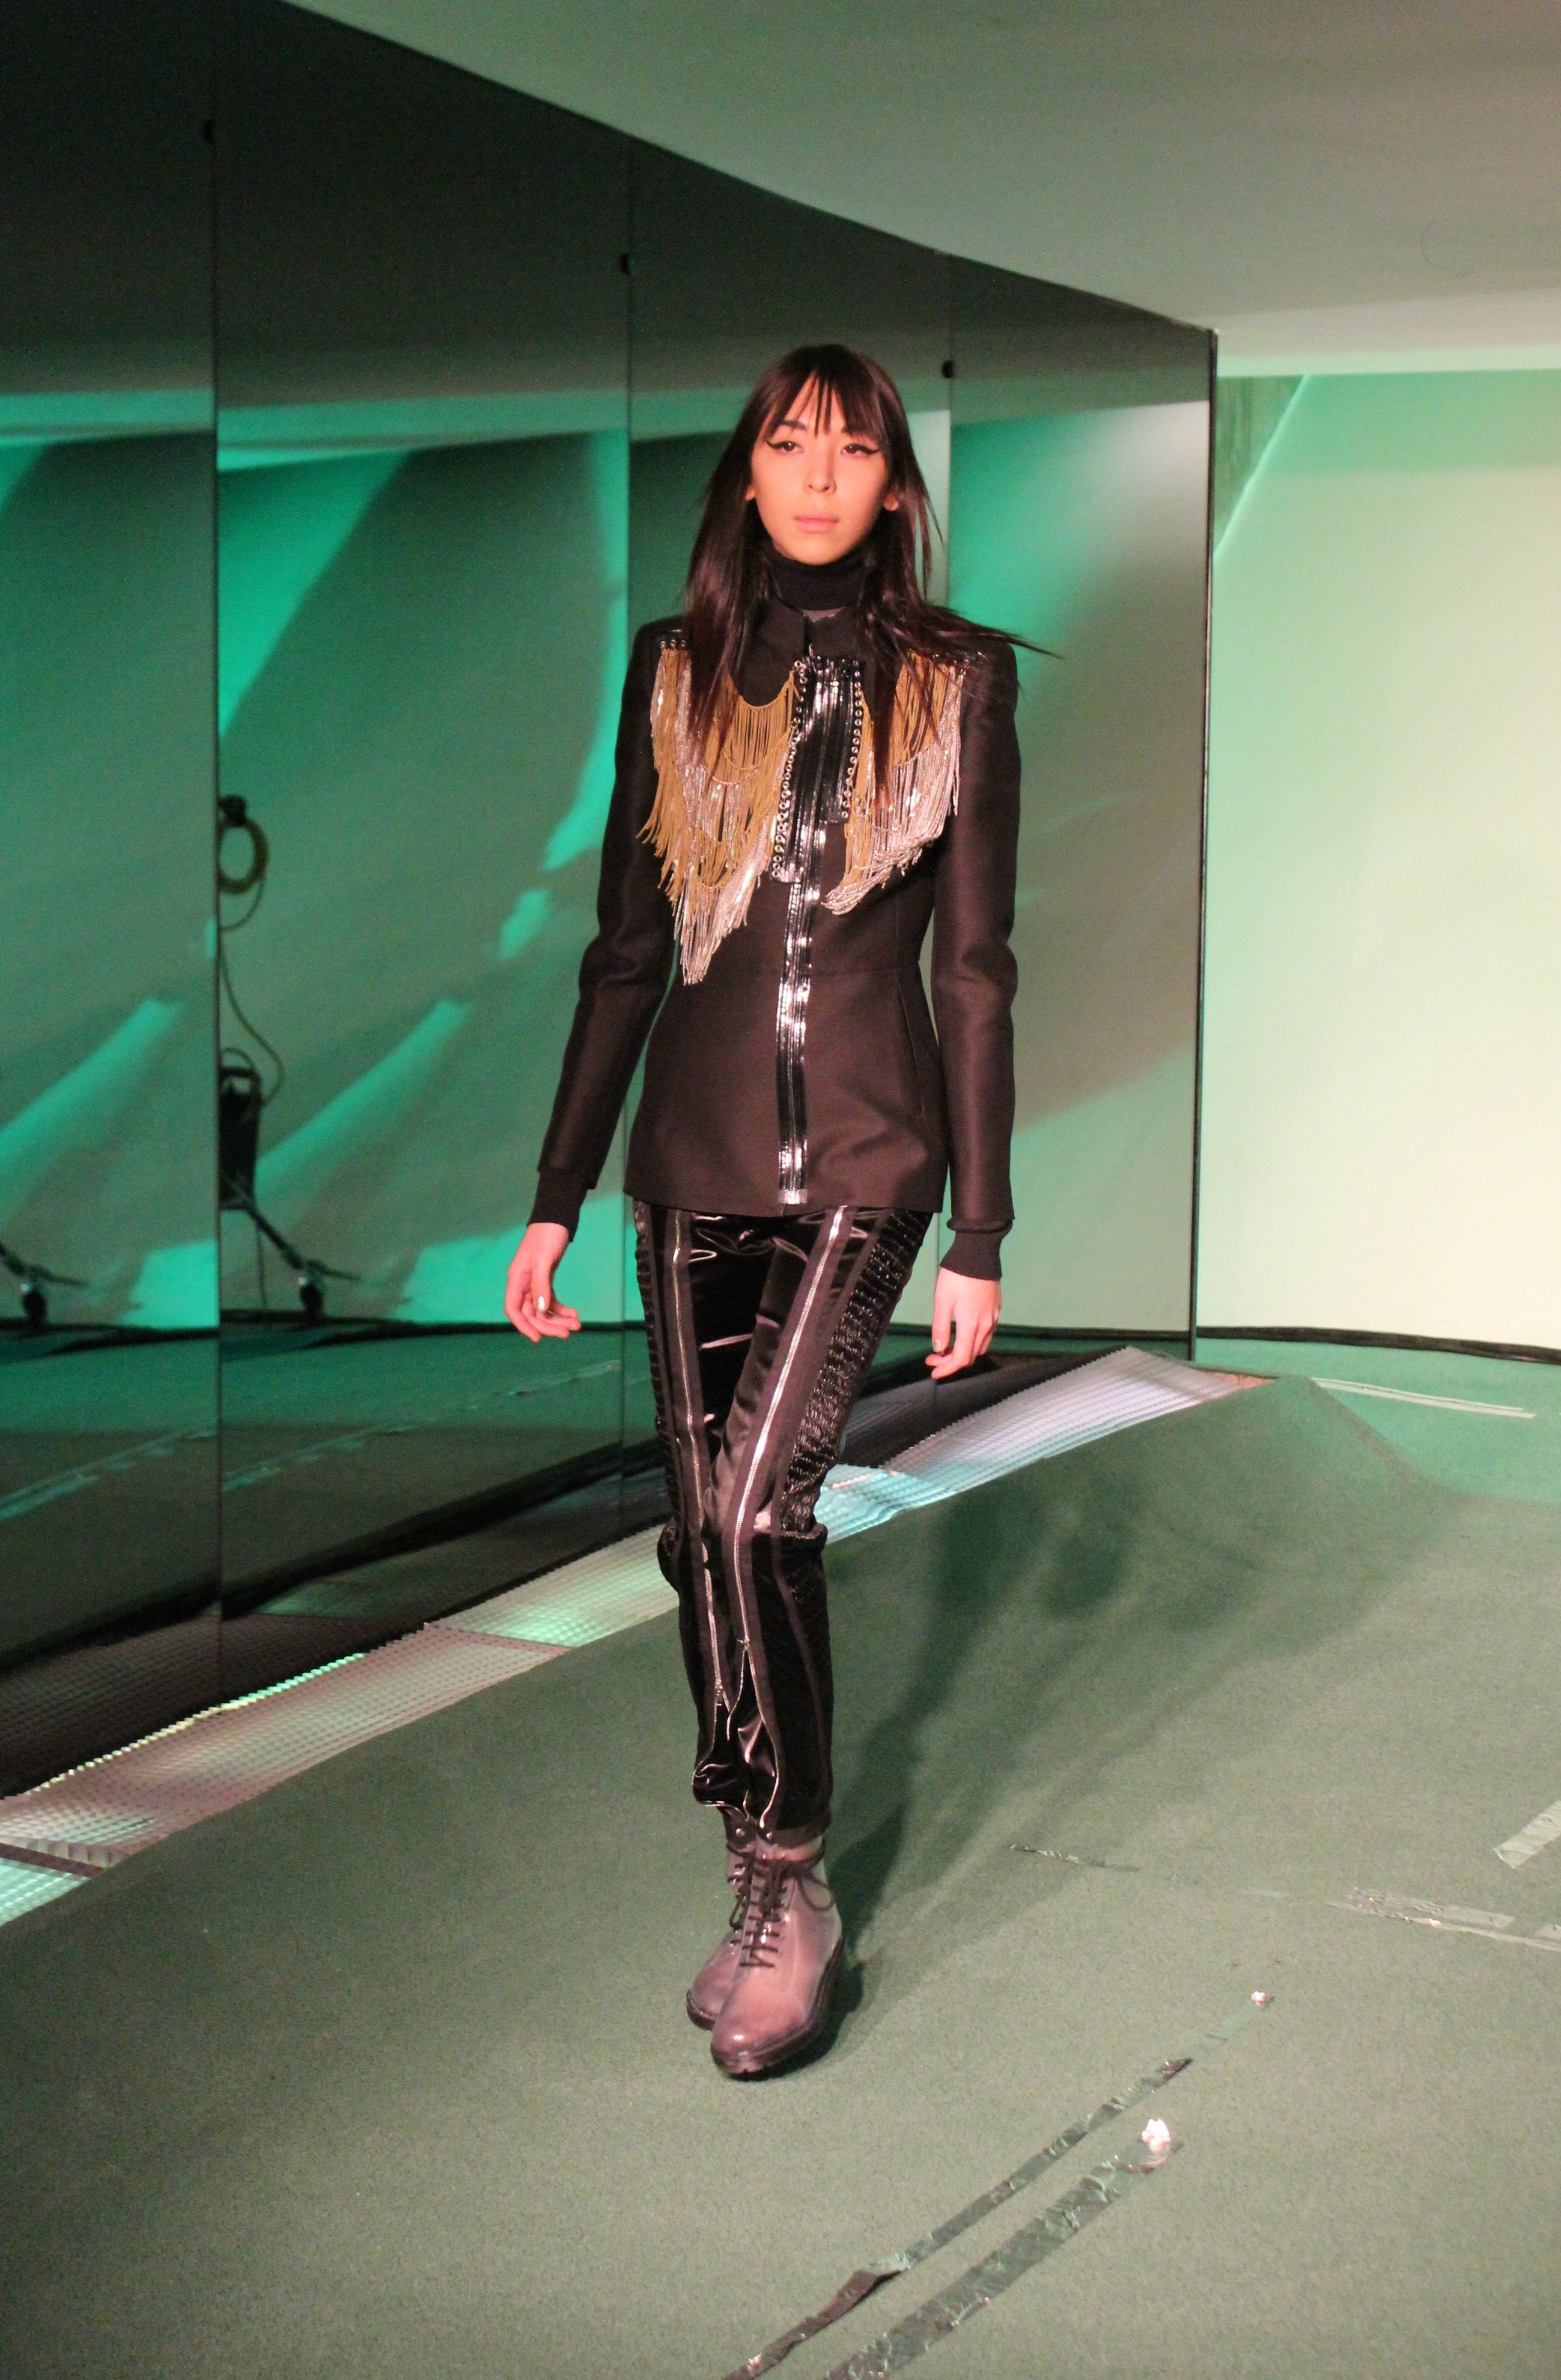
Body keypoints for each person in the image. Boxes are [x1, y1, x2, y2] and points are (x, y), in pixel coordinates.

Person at [504, 342, 1020, 2078]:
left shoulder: (954, 681)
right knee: (695, 1530)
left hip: (872, 1164)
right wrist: (555, 1195)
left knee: (754, 1511)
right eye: (789, 443)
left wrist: (982, 1231)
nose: (816, 474)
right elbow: (623, 955)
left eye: (851, 449)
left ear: (892, 486)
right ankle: (756, 1881)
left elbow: (977, 969)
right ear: (748, 470)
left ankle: (790, 1878)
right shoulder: (676, 673)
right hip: (688, 1166)